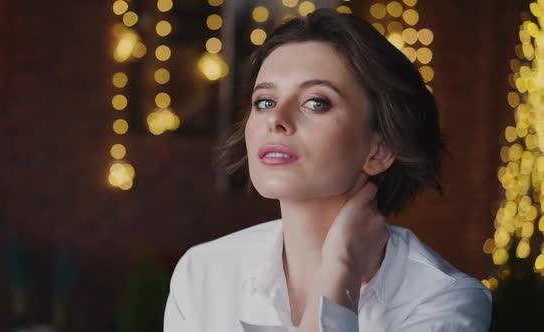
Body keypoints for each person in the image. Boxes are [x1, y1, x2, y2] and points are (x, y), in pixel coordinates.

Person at [164, 8, 491, 332]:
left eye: (316, 102)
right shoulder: (204, 272)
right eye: (264, 101)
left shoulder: (442, 301)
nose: (276, 119)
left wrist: (340, 270)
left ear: (380, 149)